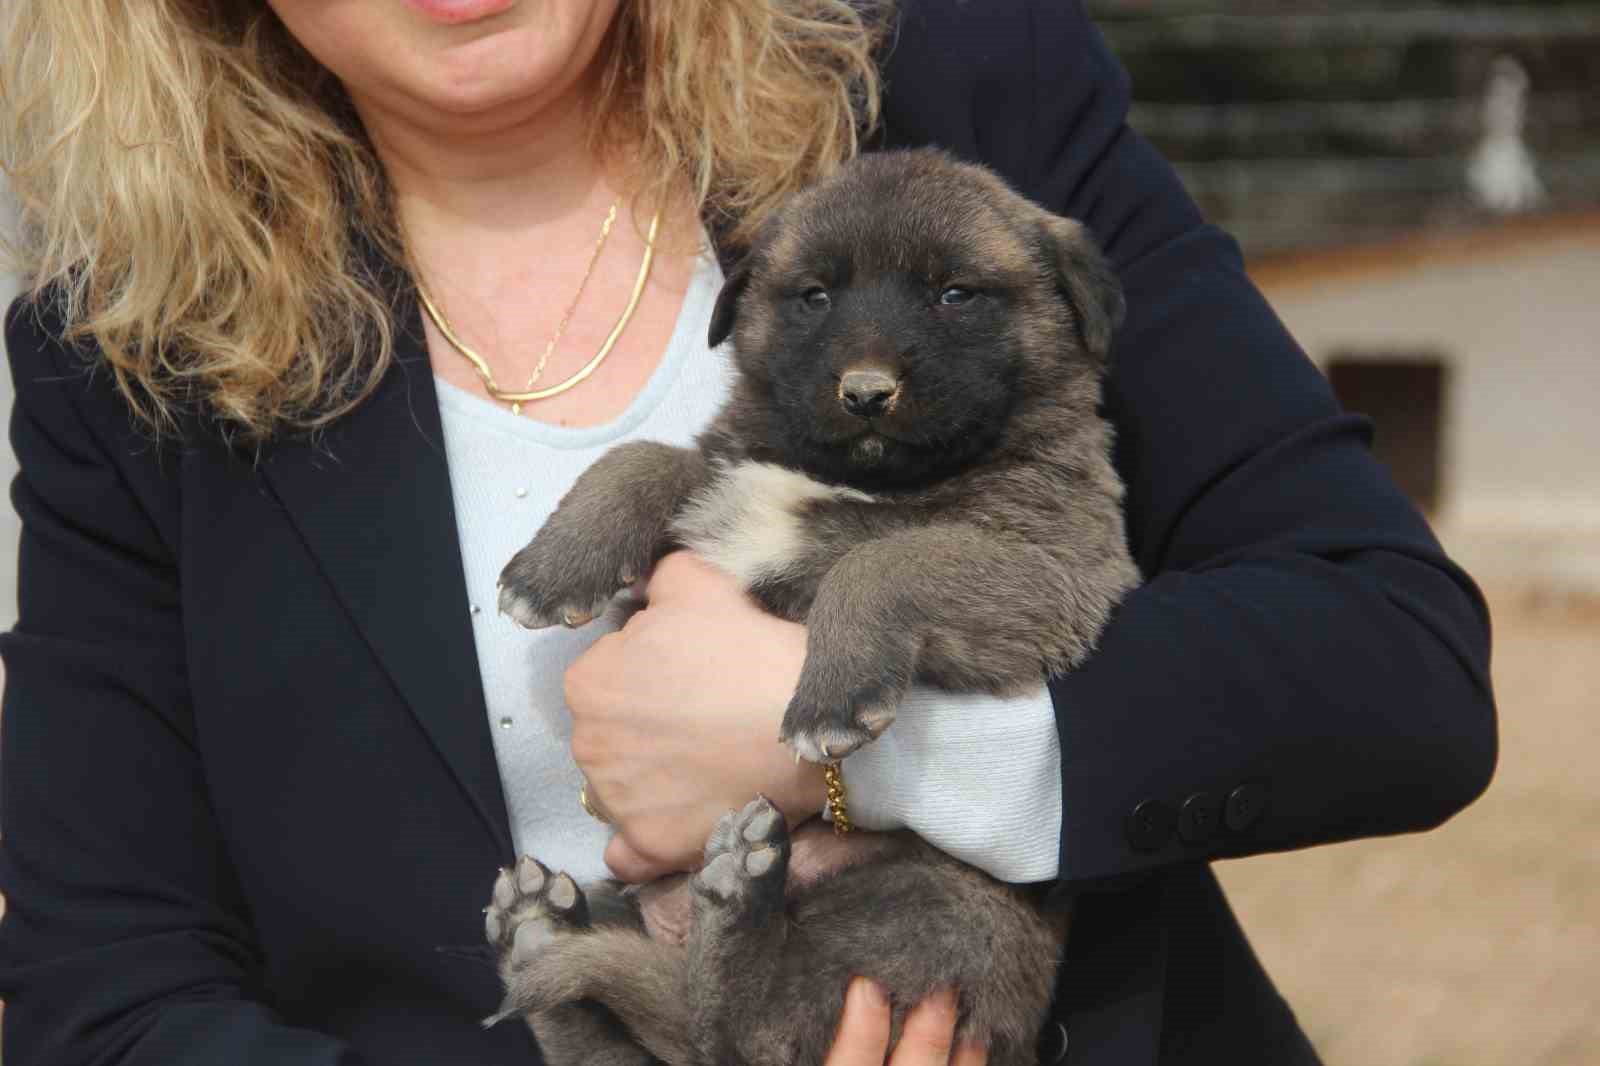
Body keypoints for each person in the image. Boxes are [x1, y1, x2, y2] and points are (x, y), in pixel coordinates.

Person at [0, 1, 1496, 1064]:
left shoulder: (952, 86)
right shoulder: (124, 351)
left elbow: (1392, 659)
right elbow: (104, 992)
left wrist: (850, 749)